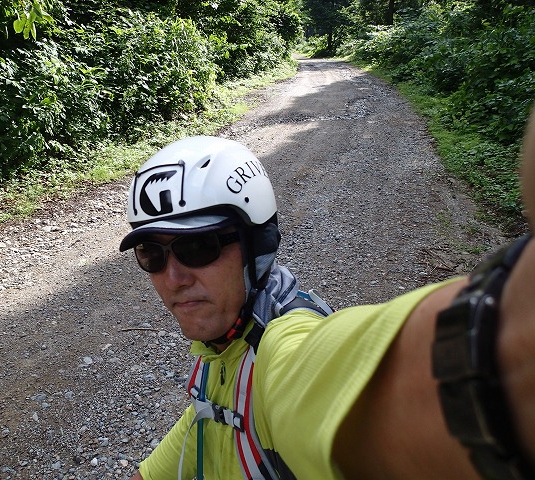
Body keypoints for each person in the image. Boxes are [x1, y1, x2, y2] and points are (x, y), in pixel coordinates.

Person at [119, 105, 535, 479]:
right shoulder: (222, 343)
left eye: (197, 247)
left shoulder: (281, 346)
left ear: (255, 246)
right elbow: (206, 418)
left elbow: (482, 369)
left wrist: (509, 343)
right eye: (151, 253)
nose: (173, 278)